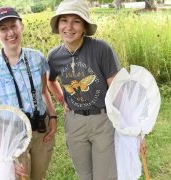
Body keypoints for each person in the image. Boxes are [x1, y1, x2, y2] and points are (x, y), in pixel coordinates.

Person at [0, 6, 58, 180]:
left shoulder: (37, 58)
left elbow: (44, 91)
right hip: (12, 137)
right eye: (3, 28)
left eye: (13, 25)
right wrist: (4, 158)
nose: (10, 32)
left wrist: (52, 117)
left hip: (40, 130)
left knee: (39, 176)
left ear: (21, 26)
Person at [46, 0, 121, 179]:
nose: (69, 27)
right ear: (58, 25)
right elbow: (50, 81)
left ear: (85, 27)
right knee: (84, 175)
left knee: (105, 176)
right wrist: (63, 100)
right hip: (75, 122)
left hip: (103, 119)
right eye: (64, 20)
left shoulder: (101, 49)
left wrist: (128, 126)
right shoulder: (54, 56)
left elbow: (117, 89)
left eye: (76, 21)